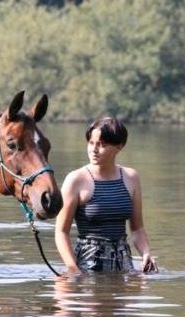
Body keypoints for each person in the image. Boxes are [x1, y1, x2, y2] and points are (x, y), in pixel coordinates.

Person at [54, 117, 157, 275]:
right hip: (87, 266)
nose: (94, 150)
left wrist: (146, 253)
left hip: (124, 265)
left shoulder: (131, 177)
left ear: (119, 147)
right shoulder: (75, 179)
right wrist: (72, 268)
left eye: (102, 145)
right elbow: (61, 232)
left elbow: (137, 229)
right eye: (91, 143)